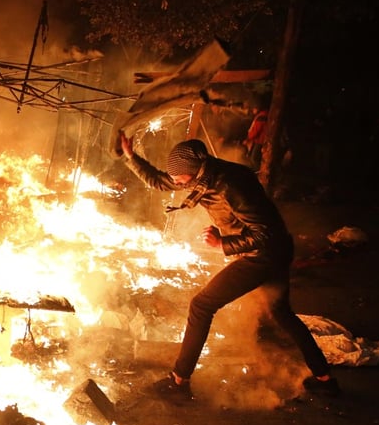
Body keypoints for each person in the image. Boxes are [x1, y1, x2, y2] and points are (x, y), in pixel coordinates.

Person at [117, 130, 339, 399]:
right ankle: (325, 379)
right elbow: (161, 182)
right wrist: (130, 156)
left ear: (194, 171)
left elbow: (265, 233)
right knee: (282, 313)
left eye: (179, 178)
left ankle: (178, 382)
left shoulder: (231, 185)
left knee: (201, 305)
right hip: (270, 251)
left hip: (263, 255)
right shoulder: (200, 178)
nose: (176, 183)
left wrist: (222, 244)